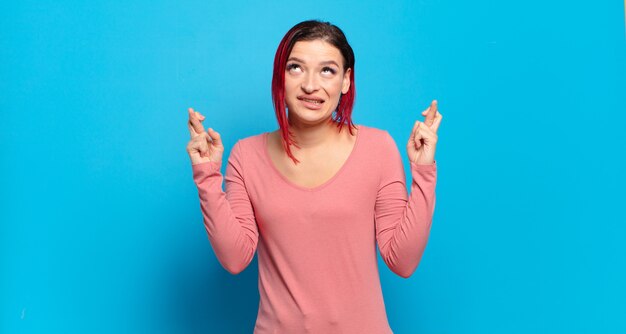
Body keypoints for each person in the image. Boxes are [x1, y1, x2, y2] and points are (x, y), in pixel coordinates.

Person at [185, 19, 442, 334]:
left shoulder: (378, 148)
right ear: (281, 76)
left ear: (346, 80)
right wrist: (207, 174)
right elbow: (235, 258)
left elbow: (402, 261)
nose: (309, 85)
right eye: (295, 68)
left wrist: (424, 173)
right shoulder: (246, 156)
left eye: (327, 70)